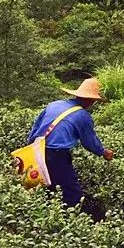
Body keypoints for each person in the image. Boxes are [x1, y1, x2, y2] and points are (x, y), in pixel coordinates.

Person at [27, 78, 114, 206]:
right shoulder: (83, 116)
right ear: (92, 101)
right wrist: (103, 152)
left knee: (42, 186)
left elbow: (35, 127)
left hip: (36, 149)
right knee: (71, 192)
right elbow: (89, 142)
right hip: (57, 154)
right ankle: (73, 218)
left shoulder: (54, 104)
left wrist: (31, 149)